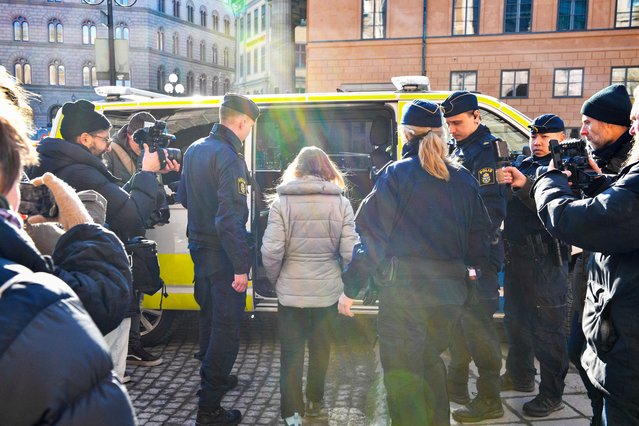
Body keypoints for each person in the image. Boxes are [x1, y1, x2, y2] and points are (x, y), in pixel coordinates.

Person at [338, 100, 492, 426]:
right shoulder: (463, 179)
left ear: (406, 134)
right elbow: (482, 238)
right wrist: (473, 282)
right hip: (449, 295)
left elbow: (370, 237)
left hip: (406, 294)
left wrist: (350, 288)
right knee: (429, 360)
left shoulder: (396, 174)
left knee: (403, 372)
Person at [0, 82, 136, 424]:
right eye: (105, 139)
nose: (109, 145)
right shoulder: (30, 301)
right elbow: (103, 293)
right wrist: (78, 216)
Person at [27, 99, 168, 381]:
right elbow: (130, 215)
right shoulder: (81, 171)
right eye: (104, 139)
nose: (107, 145)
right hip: (90, 275)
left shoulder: (62, 163)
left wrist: (148, 177)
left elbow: (117, 201)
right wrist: (148, 173)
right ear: (84, 138)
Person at [524, 86, 639, 425]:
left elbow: (579, 220)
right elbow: (622, 206)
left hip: (628, 349)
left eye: (637, 120)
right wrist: (600, 183)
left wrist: (546, 181)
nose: (633, 129)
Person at [177, 93, 260, 426]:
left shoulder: (195, 148)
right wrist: (241, 266)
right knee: (226, 330)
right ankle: (209, 409)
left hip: (200, 251)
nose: (248, 133)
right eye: (250, 128)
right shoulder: (229, 157)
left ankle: (214, 380)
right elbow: (229, 220)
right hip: (223, 256)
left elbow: (183, 197)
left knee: (209, 320)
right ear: (241, 122)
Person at [261, 146, 358, 425]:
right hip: (327, 292)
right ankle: (316, 401)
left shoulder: (281, 204)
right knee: (321, 349)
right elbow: (350, 251)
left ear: (298, 169)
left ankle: (292, 413)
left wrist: (276, 279)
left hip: (290, 293)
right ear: (328, 170)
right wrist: (345, 281)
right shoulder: (341, 203)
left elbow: (271, 251)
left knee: (290, 354)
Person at [439, 91, 508, 421]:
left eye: (458, 122)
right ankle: (456, 386)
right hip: (461, 255)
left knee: (479, 328)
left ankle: (490, 399)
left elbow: (491, 210)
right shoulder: (461, 148)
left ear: (477, 117)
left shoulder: (485, 152)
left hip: (478, 256)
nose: (452, 129)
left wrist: (475, 257)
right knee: (460, 324)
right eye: (448, 123)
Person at [569, 84, 633, 424]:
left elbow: (598, 220)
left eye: (588, 122)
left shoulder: (630, 166)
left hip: (618, 305)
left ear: (612, 125)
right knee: (578, 355)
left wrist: (548, 189)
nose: (581, 132)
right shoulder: (612, 163)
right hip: (597, 289)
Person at [499, 114, 570, 417]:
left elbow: (553, 209)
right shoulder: (524, 163)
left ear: (562, 138)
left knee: (547, 330)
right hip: (517, 258)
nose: (537, 142)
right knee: (516, 322)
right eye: (533, 136)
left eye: (545, 137)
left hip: (546, 260)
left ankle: (552, 394)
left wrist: (523, 185)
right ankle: (521, 375)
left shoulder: (565, 170)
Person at [104, 111, 180, 368]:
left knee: (136, 293)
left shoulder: (146, 153)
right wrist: (143, 170)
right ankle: (120, 353)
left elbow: (150, 191)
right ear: (130, 135)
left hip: (138, 232)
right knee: (123, 294)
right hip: (117, 235)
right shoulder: (110, 155)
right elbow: (114, 195)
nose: (147, 147)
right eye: (143, 143)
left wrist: (160, 173)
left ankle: (133, 347)